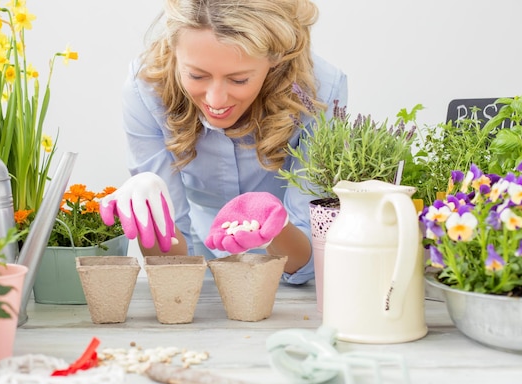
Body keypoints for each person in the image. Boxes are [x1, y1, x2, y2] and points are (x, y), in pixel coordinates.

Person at [101, 0, 347, 285]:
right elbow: (173, 270)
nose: (215, 101)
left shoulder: (320, 89)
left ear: (276, 58)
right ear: (173, 50)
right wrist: (152, 215)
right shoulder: (145, 88)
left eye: (239, 79)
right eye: (196, 75)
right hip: (197, 257)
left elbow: (303, 266)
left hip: (284, 275)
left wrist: (274, 226)